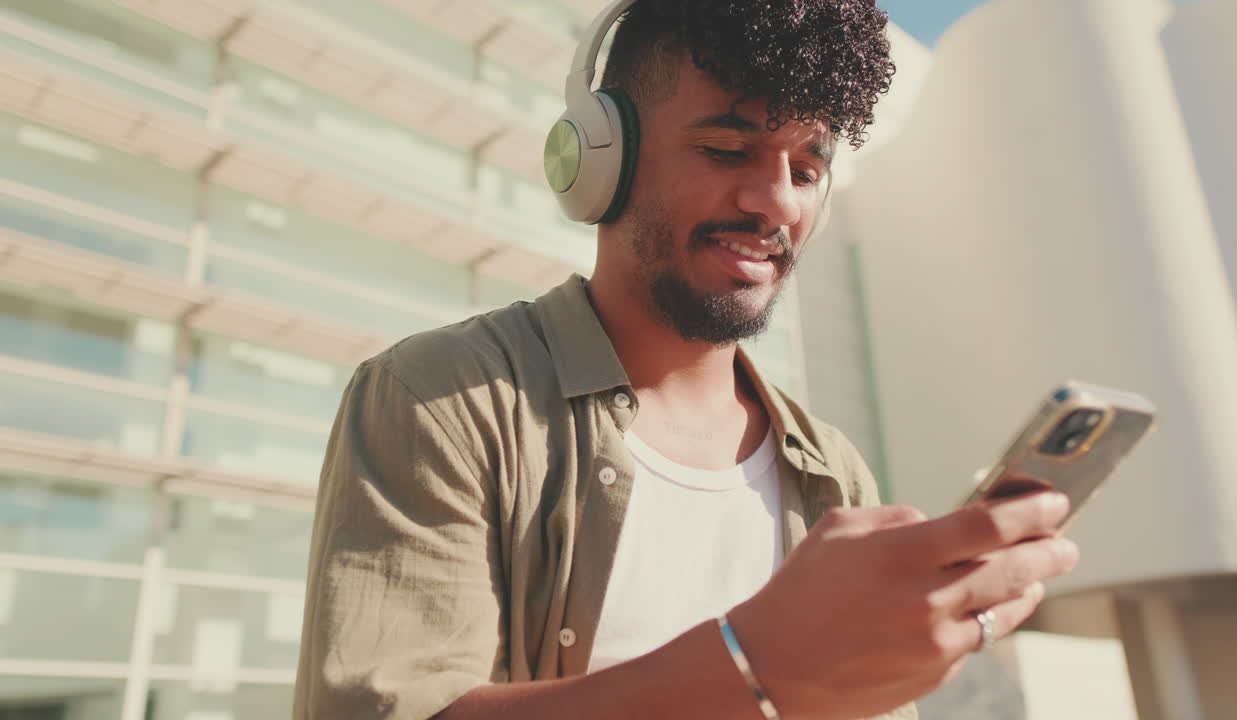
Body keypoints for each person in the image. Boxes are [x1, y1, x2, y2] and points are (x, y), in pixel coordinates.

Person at [291, 1, 1080, 719]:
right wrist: (755, 666)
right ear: (601, 158)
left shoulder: (834, 473)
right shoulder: (441, 398)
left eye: (806, 169)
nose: (777, 202)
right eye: (728, 147)